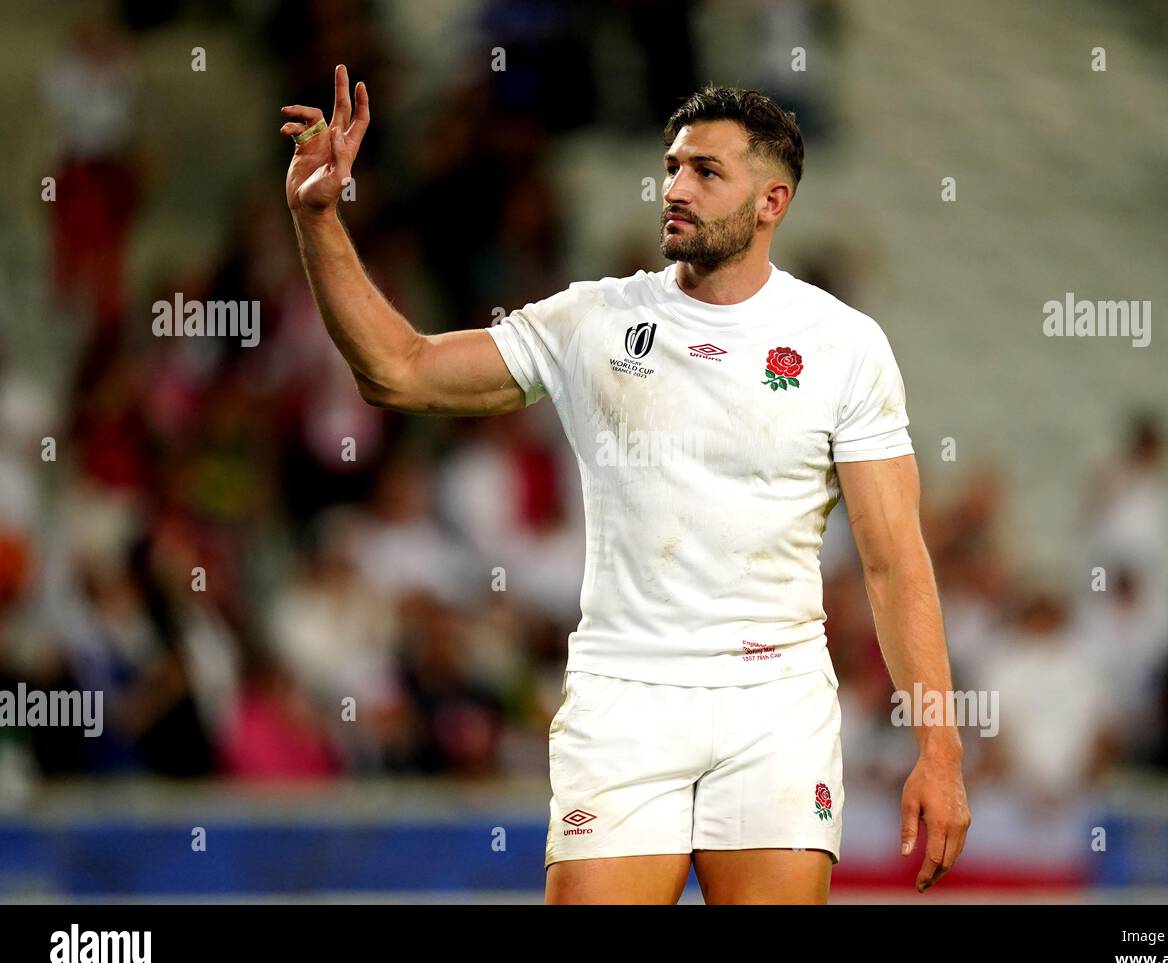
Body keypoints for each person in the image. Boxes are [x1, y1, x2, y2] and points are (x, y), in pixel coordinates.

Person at [280, 65, 970, 904]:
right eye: (673, 165)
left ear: (771, 203)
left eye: (706, 171)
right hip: (624, 696)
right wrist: (318, 219)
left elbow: (896, 562)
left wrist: (938, 751)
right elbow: (400, 369)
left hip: (775, 704)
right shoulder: (592, 320)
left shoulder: (843, 347)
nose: (675, 187)